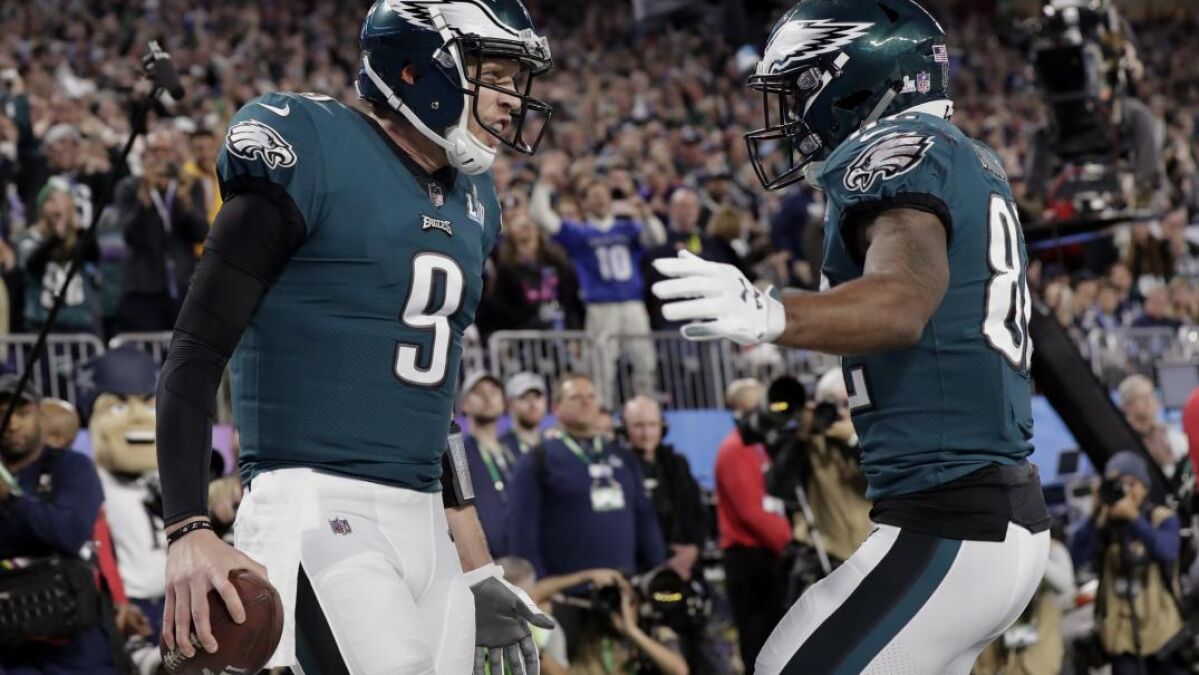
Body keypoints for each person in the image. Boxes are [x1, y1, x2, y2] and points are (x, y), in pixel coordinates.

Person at [154, 2, 557, 673]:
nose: (511, 100)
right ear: (416, 69)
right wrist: (188, 527)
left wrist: (475, 560)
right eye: (493, 76)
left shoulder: (476, 202)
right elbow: (195, 352)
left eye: (515, 81)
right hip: (316, 502)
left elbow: (432, 395)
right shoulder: (312, 145)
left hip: (425, 522)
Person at [652, 1, 1052, 672]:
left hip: (952, 521)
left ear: (855, 79)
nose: (791, 116)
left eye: (800, 90)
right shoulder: (962, 153)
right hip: (980, 515)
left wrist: (772, 314)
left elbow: (902, 303)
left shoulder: (897, 149)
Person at [0, 374, 113, 675]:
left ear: (40, 415)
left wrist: (12, 497)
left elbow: (71, 533)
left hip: (74, 643)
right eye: (3, 415)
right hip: (11, 646)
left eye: (22, 413)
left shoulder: (72, 466)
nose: (11, 424)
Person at [530, 153, 665, 402]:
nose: (601, 199)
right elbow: (542, 216)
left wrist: (647, 214)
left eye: (604, 195)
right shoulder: (580, 233)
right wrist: (544, 185)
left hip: (632, 303)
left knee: (645, 362)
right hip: (600, 306)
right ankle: (601, 410)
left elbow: (657, 239)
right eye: (594, 196)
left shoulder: (629, 227)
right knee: (601, 367)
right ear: (584, 204)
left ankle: (647, 408)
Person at [507, 373, 666, 579]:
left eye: (591, 396)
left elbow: (645, 520)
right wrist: (537, 587)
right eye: (576, 397)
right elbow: (522, 533)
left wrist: (659, 572)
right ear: (556, 407)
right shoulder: (538, 459)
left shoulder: (623, 457)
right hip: (567, 589)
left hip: (623, 586)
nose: (586, 402)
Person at [1071, 452, 1185, 675]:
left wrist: (1134, 519)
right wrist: (1094, 513)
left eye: (1132, 483)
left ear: (1145, 487)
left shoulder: (1161, 517)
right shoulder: (1103, 524)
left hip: (1163, 628)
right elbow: (1076, 559)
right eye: (1118, 484)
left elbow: (1168, 552)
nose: (1125, 490)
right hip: (1121, 633)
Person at [715, 379, 793, 674]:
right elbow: (752, 513)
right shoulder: (735, 449)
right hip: (751, 560)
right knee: (760, 646)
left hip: (772, 554)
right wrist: (790, 544)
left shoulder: (766, 445)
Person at [113, 125, 209, 332]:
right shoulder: (129, 187)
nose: (160, 156)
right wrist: (143, 203)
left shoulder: (189, 185)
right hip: (143, 286)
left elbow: (202, 233)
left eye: (165, 150)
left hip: (183, 281)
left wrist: (185, 204)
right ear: (145, 155)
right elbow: (129, 235)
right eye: (154, 151)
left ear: (174, 154)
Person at [462, 371, 517, 558]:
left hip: (521, 555)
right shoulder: (460, 454)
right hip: (488, 558)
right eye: (479, 393)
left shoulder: (513, 449)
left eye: (494, 392)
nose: (488, 398)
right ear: (464, 404)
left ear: (503, 402)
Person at [501, 371, 549, 457]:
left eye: (537, 397)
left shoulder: (551, 444)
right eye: (524, 397)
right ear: (509, 404)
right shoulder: (502, 447)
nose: (533, 404)